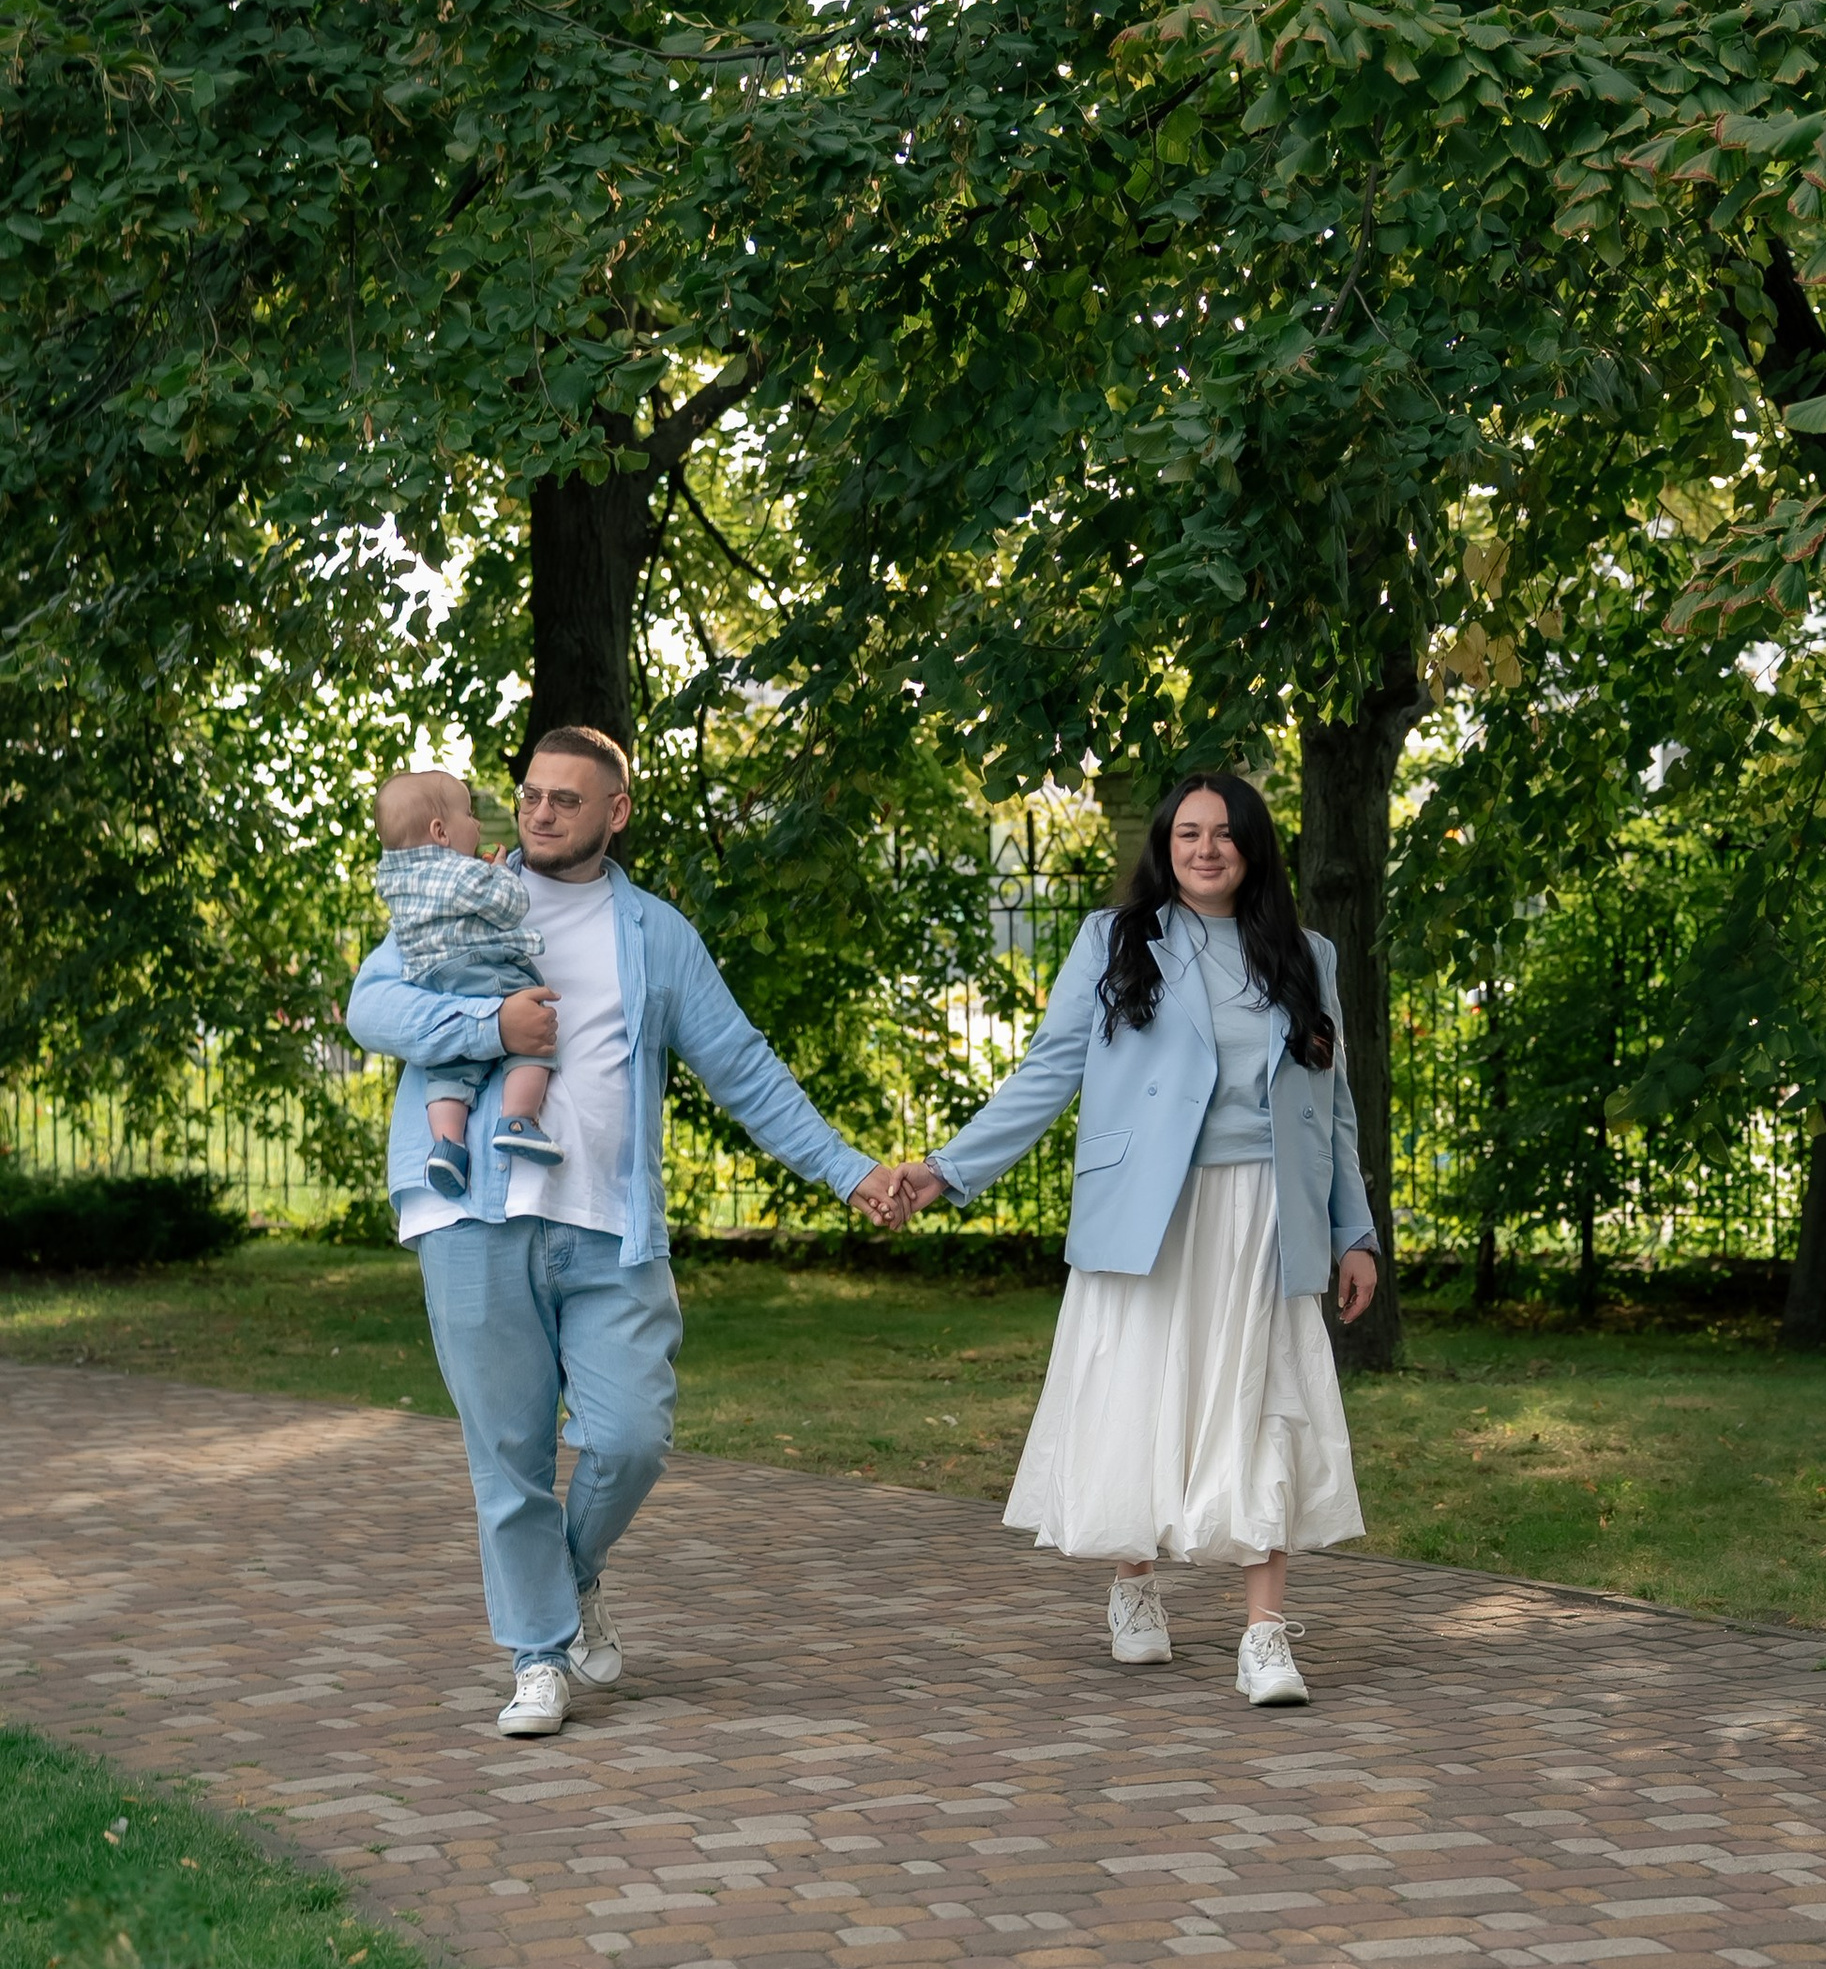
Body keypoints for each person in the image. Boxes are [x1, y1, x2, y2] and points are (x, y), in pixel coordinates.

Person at [345, 724, 901, 1738]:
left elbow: (744, 1067)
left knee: (632, 1435)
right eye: (528, 794)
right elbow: (370, 1008)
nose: (540, 811)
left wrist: (850, 1170)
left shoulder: (655, 933)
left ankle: (563, 1579)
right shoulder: (456, 892)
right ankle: (538, 1658)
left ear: (616, 810)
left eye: (566, 796)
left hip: (607, 1223)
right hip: (471, 1214)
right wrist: (488, 1031)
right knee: (507, 1456)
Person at [876, 773, 1379, 1708]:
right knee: (1141, 1393)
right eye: (1188, 832)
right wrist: (943, 1169)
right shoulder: (1113, 943)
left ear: (1254, 847)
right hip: (1147, 1206)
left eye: (1226, 833)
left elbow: (1333, 1104)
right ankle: (1133, 1582)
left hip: (1267, 1214)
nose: (1206, 848)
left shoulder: (1308, 956)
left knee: (1264, 1398)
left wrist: (1356, 1230)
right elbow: (1048, 1072)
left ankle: (1264, 1635)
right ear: (1164, 844)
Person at [371, 768, 562, 1194]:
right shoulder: (457, 873)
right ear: (440, 832)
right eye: (468, 813)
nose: (476, 824)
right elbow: (509, 905)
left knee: (448, 1069)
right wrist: (497, 874)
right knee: (536, 1031)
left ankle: (447, 1145)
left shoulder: (395, 878)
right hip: (478, 965)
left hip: (433, 980)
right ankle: (517, 1120)